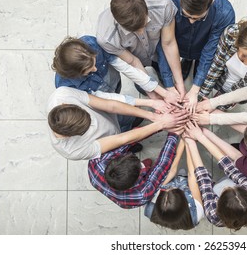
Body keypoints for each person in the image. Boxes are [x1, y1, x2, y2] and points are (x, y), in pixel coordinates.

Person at [156, 0, 235, 112]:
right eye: (186, 16)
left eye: (198, 18)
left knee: (203, 67)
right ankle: (186, 60)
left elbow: (210, 50)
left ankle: (193, 64)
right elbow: (164, 44)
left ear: (211, 3)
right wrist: (170, 84)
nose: (191, 21)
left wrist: (195, 89)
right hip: (177, 45)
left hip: (203, 47)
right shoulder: (167, 2)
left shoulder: (224, 12)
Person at [47, 86, 188, 160]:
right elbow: (122, 139)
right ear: (73, 135)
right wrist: (160, 124)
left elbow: (110, 106)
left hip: (113, 115)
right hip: (112, 139)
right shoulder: (72, 151)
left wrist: (150, 114)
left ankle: (135, 120)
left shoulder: (62, 95)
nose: (93, 123)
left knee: (132, 120)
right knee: (126, 145)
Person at [96, 0, 182, 106]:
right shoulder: (107, 37)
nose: (142, 31)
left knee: (167, 73)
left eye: (145, 24)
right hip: (136, 56)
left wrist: (179, 83)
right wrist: (152, 95)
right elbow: (133, 61)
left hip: (158, 48)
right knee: (143, 87)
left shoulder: (163, 5)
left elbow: (169, 43)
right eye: (135, 30)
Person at [52, 36, 170, 111]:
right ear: (75, 74)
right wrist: (151, 103)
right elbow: (107, 99)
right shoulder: (68, 87)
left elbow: (124, 67)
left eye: (94, 63)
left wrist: (161, 91)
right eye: (88, 71)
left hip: (113, 81)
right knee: (118, 117)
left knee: (119, 92)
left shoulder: (91, 44)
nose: (95, 69)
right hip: (100, 98)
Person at [184, 121, 247, 230]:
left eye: (225, 191)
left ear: (219, 205)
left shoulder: (212, 214)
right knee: (233, 172)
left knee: (213, 186)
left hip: (215, 192)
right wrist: (200, 136)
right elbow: (229, 167)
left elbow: (204, 181)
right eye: (233, 188)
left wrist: (191, 143)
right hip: (239, 184)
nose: (226, 187)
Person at [88, 130, 182, 209]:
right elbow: (162, 165)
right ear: (138, 177)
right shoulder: (142, 194)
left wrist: (160, 125)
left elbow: (125, 140)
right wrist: (174, 133)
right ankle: (146, 167)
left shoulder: (97, 161)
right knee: (156, 172)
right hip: (133, 191)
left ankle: (145, 165)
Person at [144, 140, 204, 230]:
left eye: (165, 191)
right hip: (189, 192)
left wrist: (183, 141)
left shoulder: (149, 209)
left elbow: (171, 171)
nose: (170, 188)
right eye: (173, 189)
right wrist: (190, 142)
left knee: (165, 179)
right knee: (199, 180)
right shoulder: (196, 214)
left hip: (171, 192)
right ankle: (182, 179)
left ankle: (181, 179)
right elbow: (192, 174)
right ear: (185, 203)